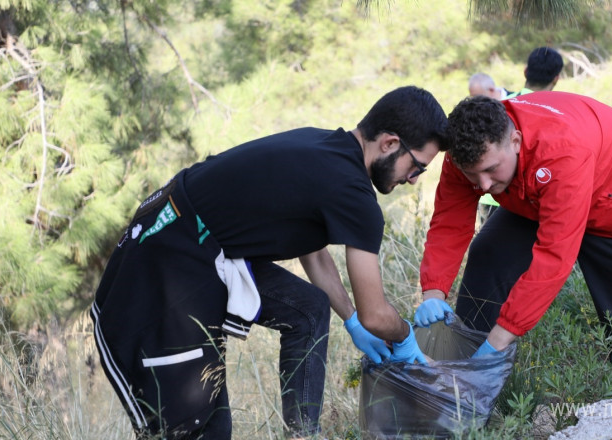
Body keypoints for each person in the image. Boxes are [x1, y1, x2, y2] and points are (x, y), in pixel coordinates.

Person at [90, 86, 449, 439]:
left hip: (199, 246)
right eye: (416, 166)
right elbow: (377, 314)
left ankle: (302, 435)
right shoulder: (353, 192)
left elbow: (314, 251)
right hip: (161, 266)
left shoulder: (326, 147)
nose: (413, 179)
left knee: (309, 309)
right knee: (199, 426)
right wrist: (405, 340)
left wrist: (351, 320)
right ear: (389, 143)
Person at [414, 93, 612, 384]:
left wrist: (498, 342)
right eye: (474, 175)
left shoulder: (562, 150)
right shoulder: (467, 153)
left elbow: (553, 258)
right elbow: (449, 222)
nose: (483, 185)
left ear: (515, 140)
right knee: (488, 257)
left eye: (490, 170)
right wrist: (433, 293)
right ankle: (464, 387)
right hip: (539, 193)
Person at [479, 46, 565, 220]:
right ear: (556, 78)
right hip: (527, 200)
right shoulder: (558, 114)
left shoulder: (501, 105)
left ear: (525, 72)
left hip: (490, 196)